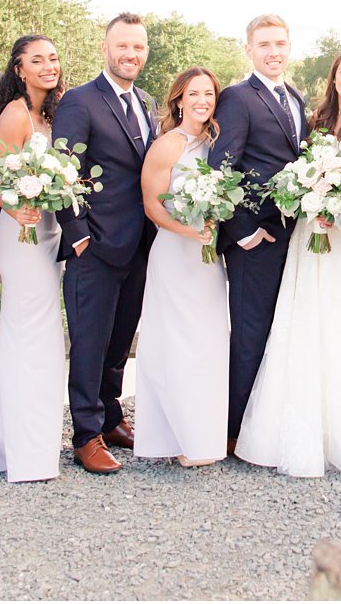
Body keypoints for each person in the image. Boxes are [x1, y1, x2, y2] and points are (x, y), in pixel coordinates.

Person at [235, 46, 341, 480]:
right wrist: (310, 199)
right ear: (334, 76)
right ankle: (299, 427)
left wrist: (337, 207)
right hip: (310, 234)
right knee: (303, 322)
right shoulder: (316, 118)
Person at [53, 13, 156, 474]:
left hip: (139, 245)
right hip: (94, 245)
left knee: (119, 342)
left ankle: (112, 416)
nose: (130, 55)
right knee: (91, 342)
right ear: (105, 48)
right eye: (122, 46)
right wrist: (77, 237)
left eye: (137, 47)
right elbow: (62, 172)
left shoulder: (147, 103)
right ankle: (86, 435)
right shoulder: (80, 101)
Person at [209, 14, 309, 447]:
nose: (274, 52)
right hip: (255, 238)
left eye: (281, 44)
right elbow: (222, 167)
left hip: (293, 233)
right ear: (248, 49)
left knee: (279, 329)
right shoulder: (237, 97)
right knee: (249, 331)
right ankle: (232, 431)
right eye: (264, 44)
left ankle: (265, 424)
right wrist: (242, 229)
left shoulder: (296, 98)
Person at [0, 35, 68, 482]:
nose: (48, 66)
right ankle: (25, 451)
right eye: (37, 60)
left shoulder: (51, 113)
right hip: (23, 230)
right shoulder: (15, 114)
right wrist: (18, 208)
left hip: (50, 231)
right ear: (19, 69)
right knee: (29, 329)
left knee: (44, 331)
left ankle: (26, 442)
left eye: (52, 58)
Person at [134, 67, 229, 467]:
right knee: (175, 343)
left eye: (208, 93)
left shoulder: (217, 144)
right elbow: (152, 205)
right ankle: (173, 436)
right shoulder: (169, 145)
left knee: (208, 343)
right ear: (179, 99)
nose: (202, 101)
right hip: (175, 253)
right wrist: (186, 231)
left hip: (208, 259)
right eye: (194, 94)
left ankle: (202, 436)